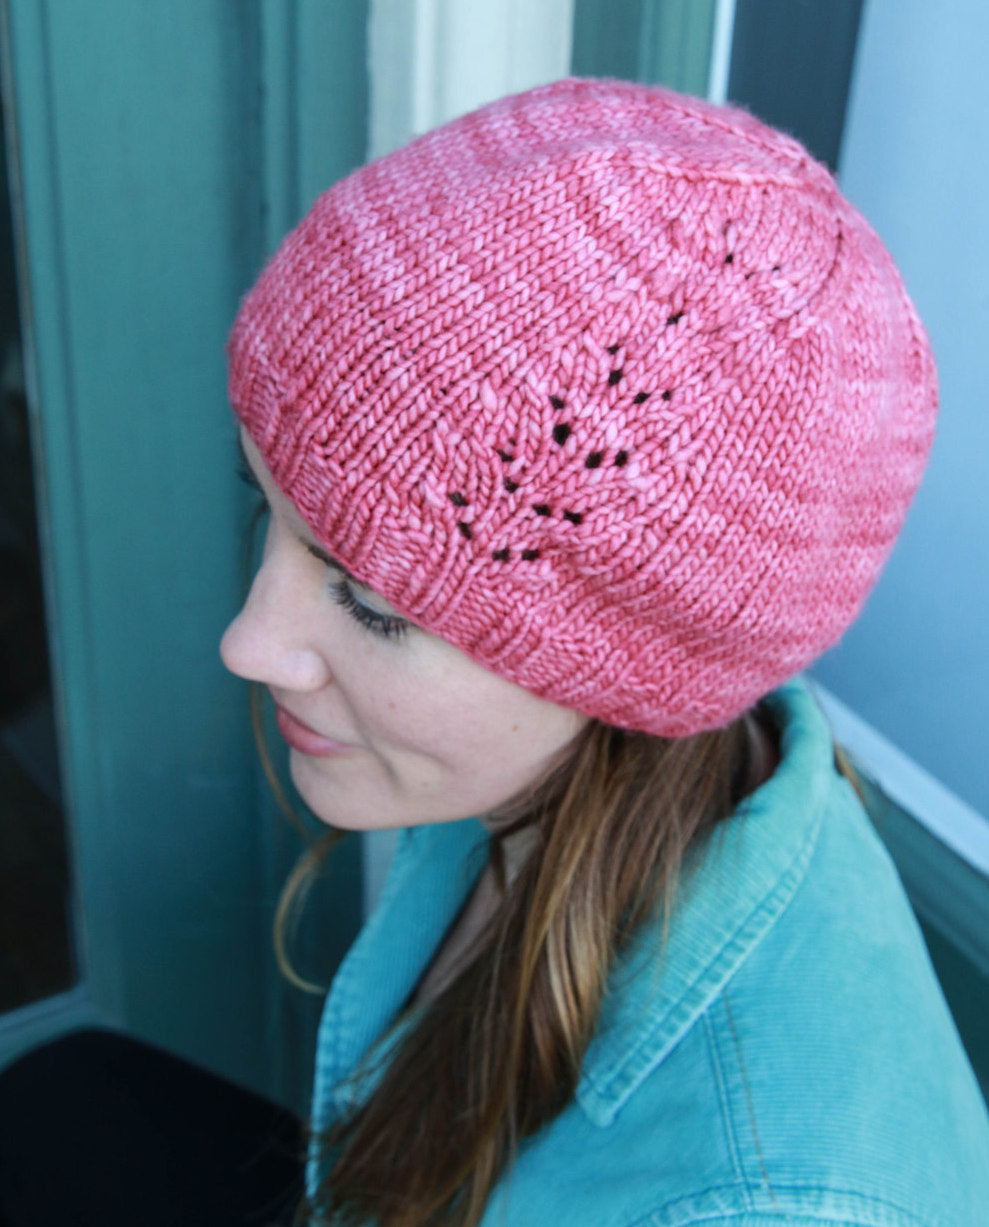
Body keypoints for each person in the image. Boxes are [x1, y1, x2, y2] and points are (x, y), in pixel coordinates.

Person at [1, 78, 987, 1227]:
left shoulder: (758, 1203)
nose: (249, 644)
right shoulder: (579, 768)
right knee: (55, 1104)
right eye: (267, 507)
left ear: (627, 670)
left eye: (370, 601)